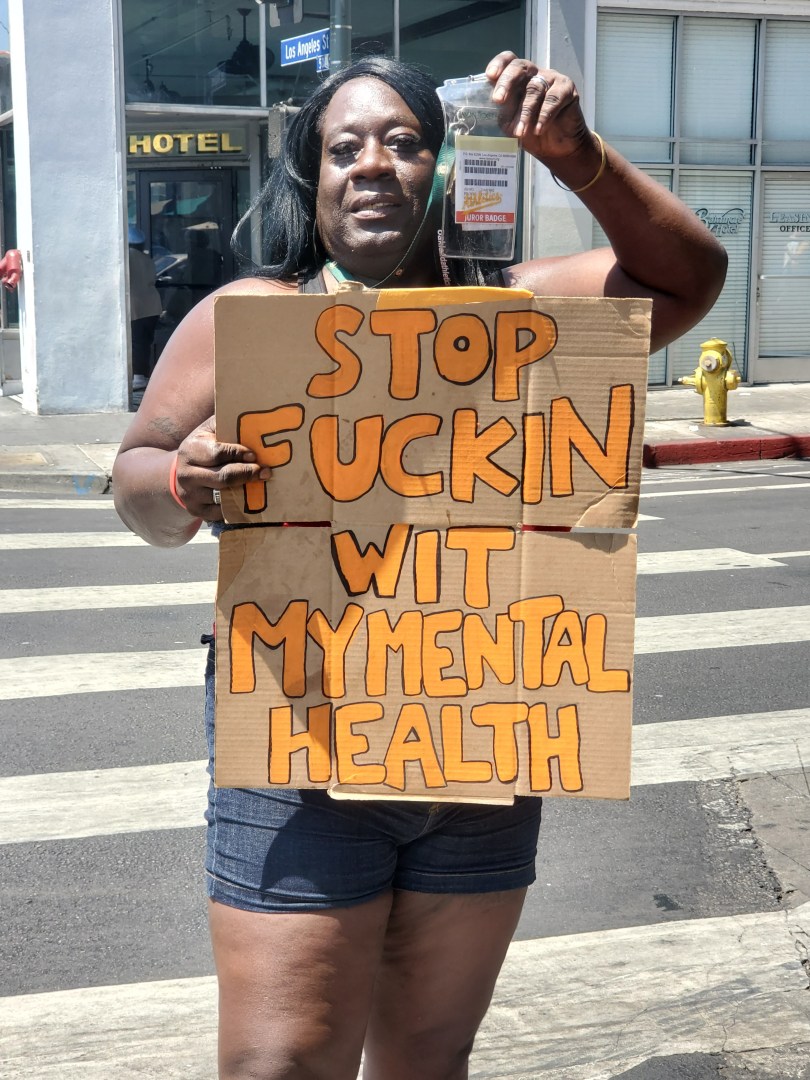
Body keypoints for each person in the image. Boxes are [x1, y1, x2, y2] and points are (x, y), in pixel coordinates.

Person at [113, 51, 726, 1080]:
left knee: (428, 1063)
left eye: (404, 143)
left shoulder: (519, 311)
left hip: (477, 735)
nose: (373, 164)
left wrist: (580, 161)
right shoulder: (250, 318)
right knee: (280, 1064)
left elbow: (687, 278)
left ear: (442, 172)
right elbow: (132, 476)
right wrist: (177, 480)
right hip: (301, 746)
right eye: (344, 146)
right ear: (313, 175)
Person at [127, 225, 163, 391]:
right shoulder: (146, 258)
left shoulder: (127, 257)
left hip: (136, 306)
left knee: (135, 341)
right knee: (144, 341)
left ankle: (138, 376)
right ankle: (142, 374)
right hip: (152, 305)